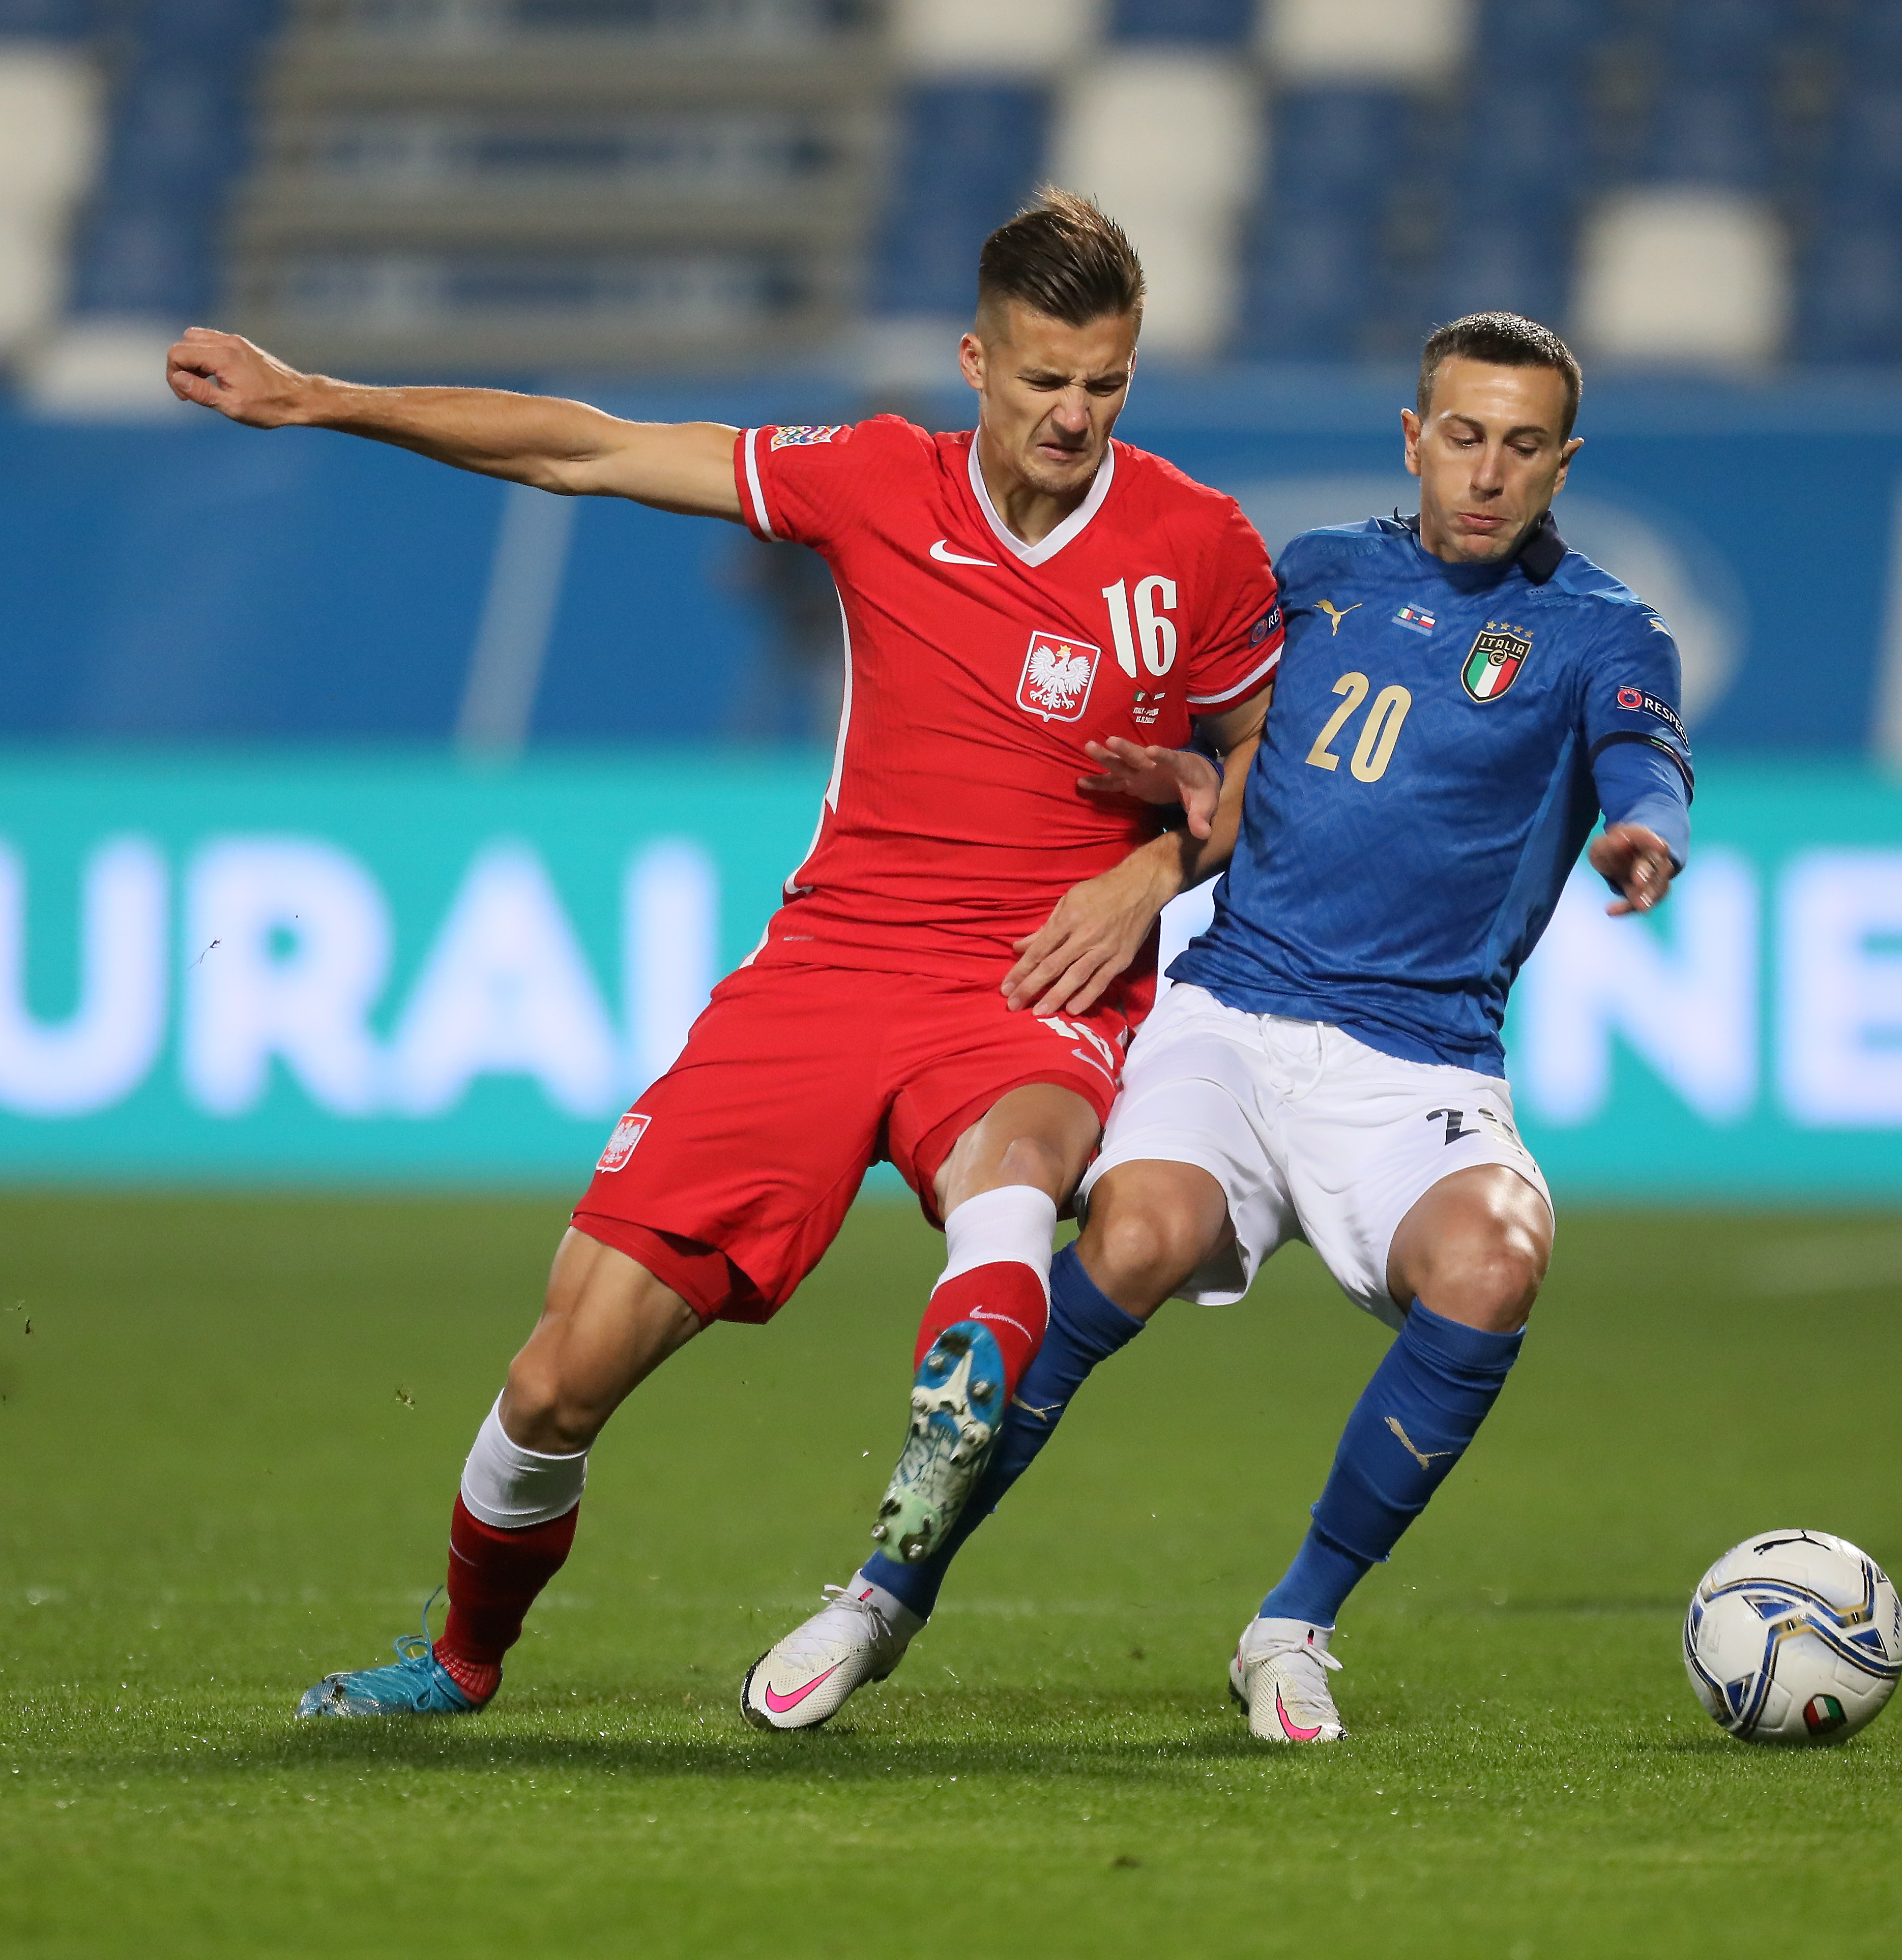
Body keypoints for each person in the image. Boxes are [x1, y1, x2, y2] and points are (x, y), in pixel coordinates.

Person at [165, 189, 1286, 1718]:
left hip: (1035, 978)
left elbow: (1265, 764)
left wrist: (1159, 866)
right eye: (1043, 381)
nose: (1073, 416)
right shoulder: (874, 479)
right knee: (561, 1376)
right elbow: (588, 448)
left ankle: (935, 1454)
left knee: (1017, 1169)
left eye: (1104, 384)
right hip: (827, 970)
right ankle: (461, 1658)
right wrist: (319, 398)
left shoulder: (1201, 547)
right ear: (976, 360)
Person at [743, 311, 1693, 1741]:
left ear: (1563, 461)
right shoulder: (1307, 579)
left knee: (1494, 1262)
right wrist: (1164, 783)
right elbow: (1209, 762)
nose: (1486, 473)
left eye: (1521, 445)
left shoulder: (1604, 630)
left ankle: (1292, 1625)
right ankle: (884, 1590)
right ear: (1411, 437)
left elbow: (1644, 757)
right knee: (1131, 1238)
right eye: (1461, 436)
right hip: (1233, 1015)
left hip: (1421, 1058)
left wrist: (1640, 833)